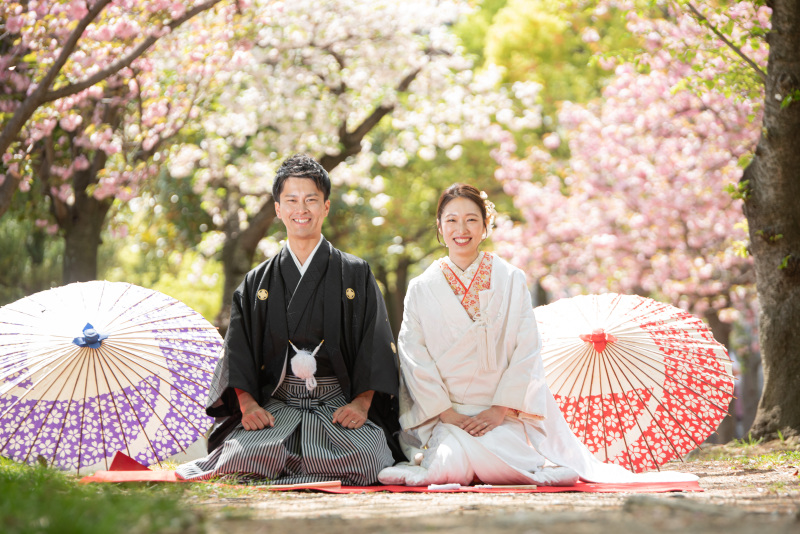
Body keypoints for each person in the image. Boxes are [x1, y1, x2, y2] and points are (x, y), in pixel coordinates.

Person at [378, 183, 697, 486]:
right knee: (450, 459)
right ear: (439, 225)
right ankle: (478, 463)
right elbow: (412, 353)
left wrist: (498, 409)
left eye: (471, 219)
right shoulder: (421, 287)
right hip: (445, 415)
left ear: (486, 225)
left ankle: (467, 465)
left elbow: (526, 348)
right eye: (452, 220)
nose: (461, 229)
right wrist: (448, 413)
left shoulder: (510, 278)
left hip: (499, 414)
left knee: (492, 456)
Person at [176, 154, 402, 485]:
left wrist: (361, 404)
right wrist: (249, 406)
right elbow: (237, 351)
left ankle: (284, 470)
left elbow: (376, 345)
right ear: (278, 209)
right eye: (291, 200)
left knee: (371, 460)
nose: (301, 209)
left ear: (325, 206)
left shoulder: (356, 273)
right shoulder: (257, 281)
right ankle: (302, 467)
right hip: (278, 406)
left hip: (337, 405)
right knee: (238, 458)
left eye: (311, 199)